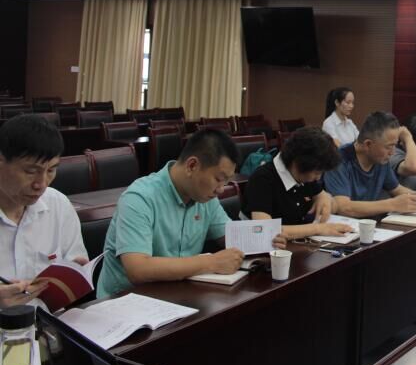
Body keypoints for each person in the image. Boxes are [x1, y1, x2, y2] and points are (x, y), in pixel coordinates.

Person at [97, 129, 244, 298]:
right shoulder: (139, 197)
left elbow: (235, 238)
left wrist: (266, 238)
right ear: (192, 166)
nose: (221, 189)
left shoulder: (205, 198)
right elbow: (138, 269)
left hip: (177, 296)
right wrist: (211, 262)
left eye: (226, 182)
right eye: (219, 179)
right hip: (125, 302)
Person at [0, 114, 88, 307]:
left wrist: (76, 274)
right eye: (30, 171)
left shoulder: (58, 205)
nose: (41, 184)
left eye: (51, 170)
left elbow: (75, 263)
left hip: (51, 320)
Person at [242, 127, 352, 243]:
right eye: (317, 173)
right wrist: (318, 229)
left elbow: (327, 199)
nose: (318, 178)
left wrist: (324, 197)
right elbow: (264, 230)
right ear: (298, 163)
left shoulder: (304, 175)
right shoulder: (262, 179)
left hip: (296, 245)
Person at [323, 112, 416, 218]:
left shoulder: (380, 159)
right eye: (389, 147)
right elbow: (343, 207)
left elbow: (396, 189)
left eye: (395, 145)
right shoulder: (339, 159)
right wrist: (393, 204)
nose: (392, 152)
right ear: (368, 144)